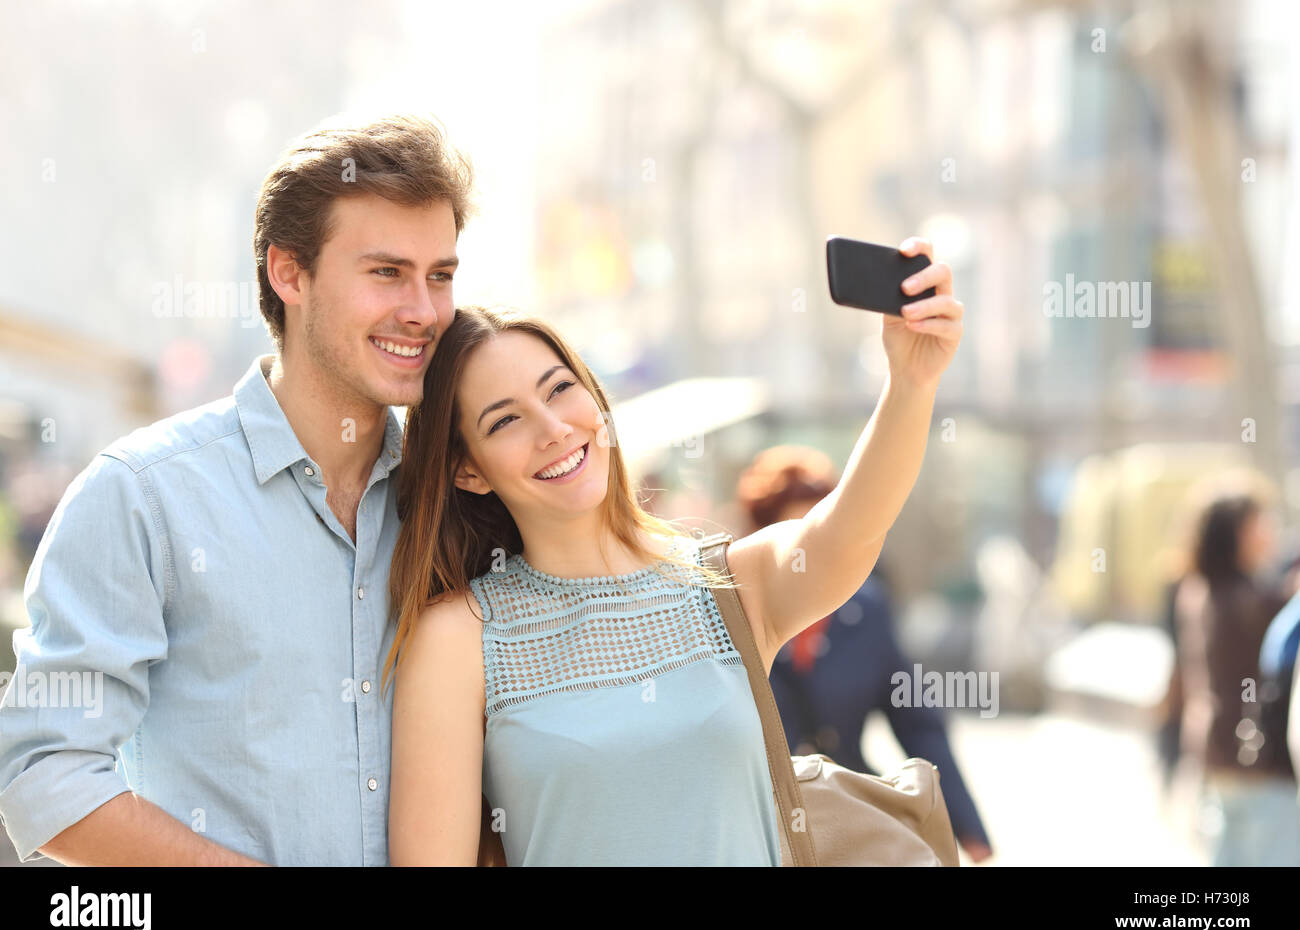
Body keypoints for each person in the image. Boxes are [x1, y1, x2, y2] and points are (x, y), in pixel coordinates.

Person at [385, 236, 964, 865]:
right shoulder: (459, 638)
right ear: (468, 470)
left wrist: (911, 380)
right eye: (505, 421)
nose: (553, 429)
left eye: (558, 390)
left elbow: (852, 525)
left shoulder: (729, 584)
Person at [0, 112, 472, 865]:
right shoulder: (142, 499)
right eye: (387, 272)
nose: (422, 311)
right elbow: (42, 771)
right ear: (289, 273)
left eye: (440, 276)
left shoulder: (457, 499)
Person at [734, 444, 993, 862]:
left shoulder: (867, 610)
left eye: (818, 531)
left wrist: (968, 830)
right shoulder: (731, 610)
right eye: (793, 535)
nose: (808, 554)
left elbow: (917, 722)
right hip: (755, 825)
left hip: (845, 819)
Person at [1171, 477, 1297, 865]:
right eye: (1262, 521)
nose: (1271, 530)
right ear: (1238, 533)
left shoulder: (1196, 593)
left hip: (1215, 754)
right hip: (1263, 766)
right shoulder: (1253, 602)